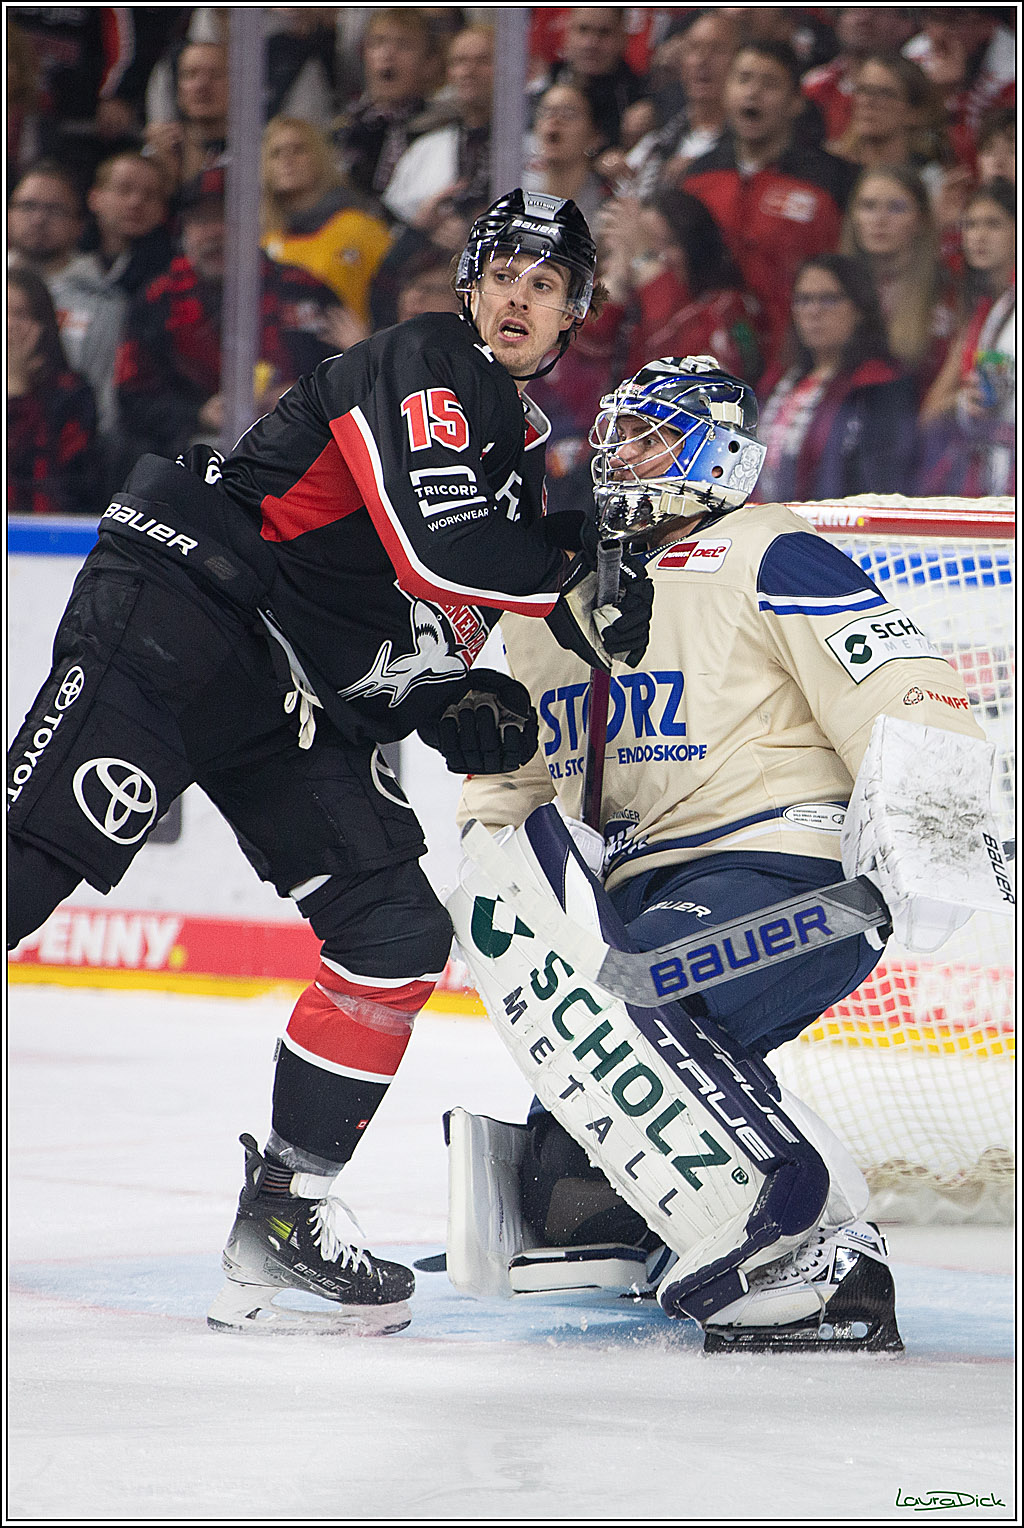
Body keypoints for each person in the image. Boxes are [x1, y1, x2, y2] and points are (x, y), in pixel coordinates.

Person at [6, 190, 654, 1337]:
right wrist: (587, 559)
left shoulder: (516, 459)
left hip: (289, 697)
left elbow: (394, 620)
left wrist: (453, 694)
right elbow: (436, 544)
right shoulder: (425, 359)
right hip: (183, 619)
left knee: (393, 929)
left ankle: (284, 1218)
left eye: (545, 284)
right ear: (468, 286)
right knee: (23, 869)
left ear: (572, 321)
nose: (517, 294)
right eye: (502, 269)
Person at [456, 353, 988, 1352]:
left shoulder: (762, 548)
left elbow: (904, 680)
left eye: (650, 433)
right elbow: (513, 790)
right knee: (569, 1143)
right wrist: (493, 888)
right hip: (635, 895)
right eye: (615, 431)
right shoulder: (555, 603)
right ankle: (652, 1231)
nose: (617, 452)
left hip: (790, 871)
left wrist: (933, 834)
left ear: (720, 456)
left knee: (636, 991)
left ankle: (818, 1252)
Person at [115, 167, 344, 461]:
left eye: (226, 217)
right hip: (186, 464)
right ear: (184, 230)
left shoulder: (304, 290)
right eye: (201, 220)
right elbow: (131, 399)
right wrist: (199, 413)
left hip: (297, 460)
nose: (214, 232)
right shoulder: (157, 299)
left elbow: (344, 382)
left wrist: (299, 398)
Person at [682, 40, 857, 366]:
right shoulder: (695, 177)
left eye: (769, 83)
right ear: (727, 91)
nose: (753, 92)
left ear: (795, 102)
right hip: (700, 361)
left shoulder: (832, 181)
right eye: (744, 79)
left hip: (795, 359)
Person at [756, 254, 917, 501]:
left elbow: (883, 479)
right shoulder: (780, 381)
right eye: (803, 300)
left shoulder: (880, 385)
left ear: (860, 309)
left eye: (828, 300)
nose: (813, 311)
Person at [7, 160, 128, 463]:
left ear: (79, 224)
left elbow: (105, 408)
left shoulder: (107, 304)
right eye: (27, 206)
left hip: (67, 453)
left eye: (54, 209)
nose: (38, 219)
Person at [919, 178, 1015, 497]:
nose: (979, 236)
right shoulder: (979, 314)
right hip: (982, 479)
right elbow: (929, 415)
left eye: (994, 224)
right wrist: (963, 403)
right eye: (971, 225)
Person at [260, 116, 392, 328]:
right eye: (276, 153)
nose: (287, 159)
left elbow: (391, 299)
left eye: (298, 149)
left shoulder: (360, 229)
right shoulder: (265, 243)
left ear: (320, 157)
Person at [841, 165, 957, 396]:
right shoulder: (832, 285)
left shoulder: (946, 290)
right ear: (853, 217)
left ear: (921, 219)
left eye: (896, 208)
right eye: (868, 206)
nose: (879, 220)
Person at [608, 10, 739, 198]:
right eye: (694, 48)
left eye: (717, 49)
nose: (703, 60)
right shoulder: (657, 141)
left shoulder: (747, 145)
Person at [381, 23, 495, 230]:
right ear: (449, 73)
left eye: (482, 61)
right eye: (460, 62)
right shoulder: (425, 147)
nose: (469, 71)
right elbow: (395, 222)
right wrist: (425, 229)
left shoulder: (533, 142)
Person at [7, 265, 100, 516]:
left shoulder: (72, 394)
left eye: (20, 314)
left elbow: (64, 483)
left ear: (43, 325)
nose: (9, 326)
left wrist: (17, 392)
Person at [332, 8, 437, 204]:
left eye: (404, 45)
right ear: (363, 55)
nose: (388, 54)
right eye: (378, 42)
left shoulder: (440, 128)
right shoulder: (342, 128)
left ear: (429, 63)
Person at [827, 52, 951, 195]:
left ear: (915, 112)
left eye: (884, 93)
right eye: (862, 90)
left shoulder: (930, 183)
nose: (867, 101)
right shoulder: (827, 168)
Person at [527, 8, 648, 150]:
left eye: (604, 32)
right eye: (583, 30)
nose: (591, 43)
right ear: (567, 33)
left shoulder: (638, 99)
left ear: (623, 38)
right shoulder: (540, 90)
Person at [801, 7, 917, 144]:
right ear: (837, 20)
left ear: (906, 24)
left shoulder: (921, 84)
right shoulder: (813, 87)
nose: (864, 19)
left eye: (877, 10)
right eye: (854, 9)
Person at [143, 40, 230, 197]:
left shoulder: (257, 153)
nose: (201, 85)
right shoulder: (157, 152)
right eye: (190, 75)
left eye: (215, 75)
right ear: (177, 89)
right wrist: (167, 175)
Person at [84, 151, 176, 298]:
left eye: (150, 195)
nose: (136, 202)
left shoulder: (173, 275)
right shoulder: (64, 256)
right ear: (94, 198)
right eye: (124, 190)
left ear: (162, 209)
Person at [523, 82, 610, 226]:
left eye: (568, 114)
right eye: (546, 112)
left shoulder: (605, 211)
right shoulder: (518, 200)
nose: (555, 120)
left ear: (595, 136)